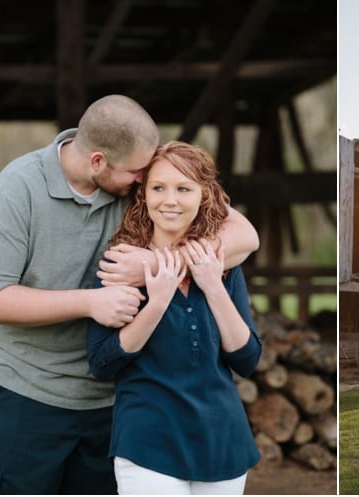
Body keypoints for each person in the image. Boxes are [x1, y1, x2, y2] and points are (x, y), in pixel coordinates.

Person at [0, 95, 259, 495]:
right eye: (137, 174)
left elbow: (244, 234)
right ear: (98, 162)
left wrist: (157, 263)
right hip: (24, 389)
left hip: (108, 398)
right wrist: (90, 302)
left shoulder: (140, 185)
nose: (144, 183)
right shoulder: (16, 192)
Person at [87, 141, 261, 495]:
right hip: (147, 443)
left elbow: (247, 360)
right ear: (144, 195)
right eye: (159, 188)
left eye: (184, 189)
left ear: (203, 196)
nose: (170, 200)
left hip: (223, 442)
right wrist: (157, 300)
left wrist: (212, 286)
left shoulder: (224, 265)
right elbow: (102, 363)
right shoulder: (121, 266)